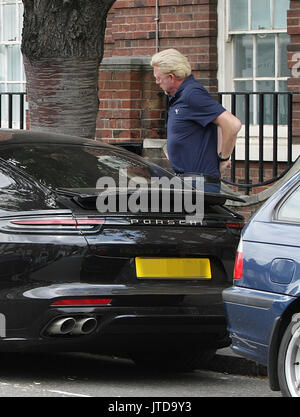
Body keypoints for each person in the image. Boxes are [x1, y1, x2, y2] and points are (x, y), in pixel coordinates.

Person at [150, 48, 242, 193]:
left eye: (158, 77)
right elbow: (217, 124)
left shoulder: (191, 94)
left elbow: (232, 125)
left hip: (197, 184)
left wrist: (223, 159)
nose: (156, 82)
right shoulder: (182, 95)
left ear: (171, 77)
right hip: (189, 181)